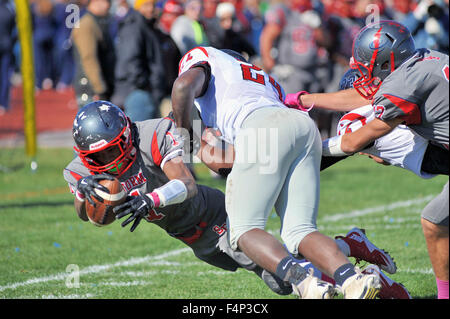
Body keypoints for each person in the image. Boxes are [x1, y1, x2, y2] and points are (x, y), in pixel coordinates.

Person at [63, 100, 403, 298]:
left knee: (288, 276)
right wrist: (84, 193)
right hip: (193, 239)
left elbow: (186, 183)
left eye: (111, 151)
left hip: (213, 215)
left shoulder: (153, 134)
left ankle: (361, 279)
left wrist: (150, 200)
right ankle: (350, 244)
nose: (106, 162)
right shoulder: (81, 169)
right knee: (284, 270)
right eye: (98, 157)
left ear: (124, 135)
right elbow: (86, 213)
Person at [170, 46, 382, 298]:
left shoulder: (209, 60)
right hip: (301, 126)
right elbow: (225, 164)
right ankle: (352, 280)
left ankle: (305, 283)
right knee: (300, 231)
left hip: (263, 128)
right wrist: (196, 142)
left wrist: (185, 136)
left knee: (244, 231)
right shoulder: (264, 83)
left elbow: (183, 87)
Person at [285, 20, 449, 299]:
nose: (362, 71)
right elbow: (372, 95)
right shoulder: (424, 57)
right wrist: (304, 99)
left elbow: (352, 142)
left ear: (386, 62)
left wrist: (298, 153)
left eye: (365, 64)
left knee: (434, 221)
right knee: (434, 219)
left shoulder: (401, 85)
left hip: (430, 154)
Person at [111, 0, 166, 121]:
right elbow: (130, 59)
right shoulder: (134, 26)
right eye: (146, 5)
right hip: (137, 93)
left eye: (153, 5)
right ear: (137, 7)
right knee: (141, 136)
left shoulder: (146, 25)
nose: (151, 9)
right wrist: (143, 84)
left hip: (143, 91)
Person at [71, 0, 116, 108]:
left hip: (95, 85)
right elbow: (88, 58)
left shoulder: (96, 22)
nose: (108, 5)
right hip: (90, 88)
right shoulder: (87, 24)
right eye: (106, 1)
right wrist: (99, 88)